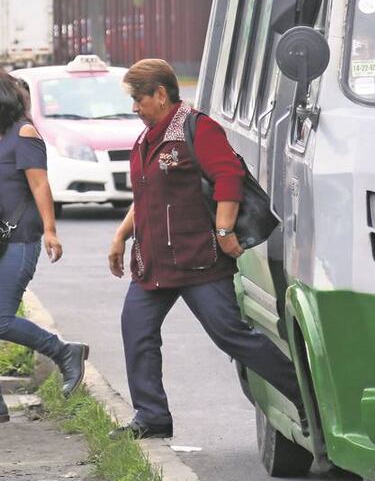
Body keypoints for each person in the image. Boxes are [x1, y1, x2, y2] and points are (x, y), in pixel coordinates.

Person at [106, 59, 302, 439]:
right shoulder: (147, 137)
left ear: (160, 95)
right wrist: (120, 236)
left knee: (231, 335)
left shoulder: (197, 129)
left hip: (198, 261)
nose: (134, 108)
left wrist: (225, 228)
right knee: (136, 330)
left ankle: (303, 396)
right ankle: (152, 417)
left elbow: (228, 175)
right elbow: (146, 195)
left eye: (138, 99)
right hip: (153, 264)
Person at [0, 74, 87, 423]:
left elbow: (40, 185)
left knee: (2, 320)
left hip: (20, 239)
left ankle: (65, 352)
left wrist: (51, 230)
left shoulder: (24, 134)